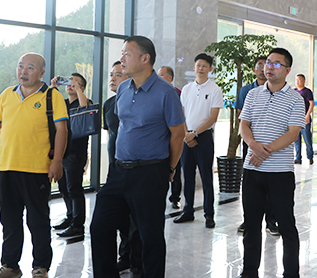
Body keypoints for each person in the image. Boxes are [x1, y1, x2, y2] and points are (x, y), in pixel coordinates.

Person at [90, 36, 185, 278]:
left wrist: (170, 168)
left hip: (150, 172)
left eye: (127, 54)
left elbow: (178, 134)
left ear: (145, 58)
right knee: (100, 226)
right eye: (122, 53)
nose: (122, 59)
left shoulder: (166, 93)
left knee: (149, 236)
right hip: (119, 170)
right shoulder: (123, 88)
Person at [0, 53, 68, 278]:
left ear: (42, 72)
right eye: (20, 66)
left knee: (38, 221)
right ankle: (10, 266)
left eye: (30, 67)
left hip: (37, 169)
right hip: (7, 167)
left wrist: (57, 161)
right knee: (9, 220)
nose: (23, 71)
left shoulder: (52, 96)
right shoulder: (7, 94)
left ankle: (40, 267)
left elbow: (62, 130)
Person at [238, 48, 306, 278]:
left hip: (280, 173)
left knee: (286, 225)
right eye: (268, 62)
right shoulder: (253, 94)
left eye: (276, 64)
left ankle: (291, 273)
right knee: (251, 224)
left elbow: (292, 134)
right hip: (252, 170)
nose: (269, 67)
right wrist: (253, 146)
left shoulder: (295, 99)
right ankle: (249, 272)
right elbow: (244, 125)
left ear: (287, 70)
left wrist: (263, 152)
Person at [173, 53, 223, 228]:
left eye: (204, 66)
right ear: (194, 67)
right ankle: (188, 211)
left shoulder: (215, 90)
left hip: (204, 138)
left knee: (206, 177)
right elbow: (181, 115)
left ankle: (209, 214)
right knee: (187, 176)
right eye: (198, 65)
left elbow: (213, 117)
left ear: (210, 69)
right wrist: (187, 134)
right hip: (186, 137)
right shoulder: (186, 89)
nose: (200, 68)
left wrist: (194, 133)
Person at [102, 61, 141, 274]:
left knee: (135, 219)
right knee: (118, 219)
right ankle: (124, 256)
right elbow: (111, 133)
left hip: (134, 168)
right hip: (114, 167)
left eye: (118, 74)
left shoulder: (136, 100)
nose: (113, 78)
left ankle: (136, 260)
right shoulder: (109, 104)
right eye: (111, 74)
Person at [235, 57, 279, 236]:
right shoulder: (247, 91)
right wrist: (253, 143)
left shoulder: (278, 90)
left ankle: (271, 221)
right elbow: (242, 117)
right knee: (250, 183)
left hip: (272, 145)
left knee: (271, 183)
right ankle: (249, 219)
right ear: (254, 69)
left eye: (266, 65)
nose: (263, 69)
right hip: (251, 142)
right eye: (259, 65)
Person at [51, 72, 92, 239]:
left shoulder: (84, 101)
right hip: (62, 151)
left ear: (82, 87)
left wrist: (79, 90)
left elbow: (85, 108)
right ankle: (70, 217)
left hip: (76, 152)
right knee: (63, 187)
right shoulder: (63, 103)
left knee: (74, 189)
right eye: (68, 82)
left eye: (74, 83)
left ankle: (77, 224)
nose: (70, 85)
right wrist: (53, 88)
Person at [158, 65, 183, 209]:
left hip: (174, 136)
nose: (158, 77)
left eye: (161, 74)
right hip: (160, 138)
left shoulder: (177, 93)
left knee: (175, 168)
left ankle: (175, 198)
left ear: (170, 77)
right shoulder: (155, 93)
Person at [293, 74, 315, 165]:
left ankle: (310, 157)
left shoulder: (307, 91)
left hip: (305, 118)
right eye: (296, 80)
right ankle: (298, 158)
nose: (297, 81)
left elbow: (312, 104)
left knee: (307, 139)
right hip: (296, 119)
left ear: (304, 81)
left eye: (299, 80)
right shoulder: (294, 91)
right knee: (296, 140)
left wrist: (307, 115)